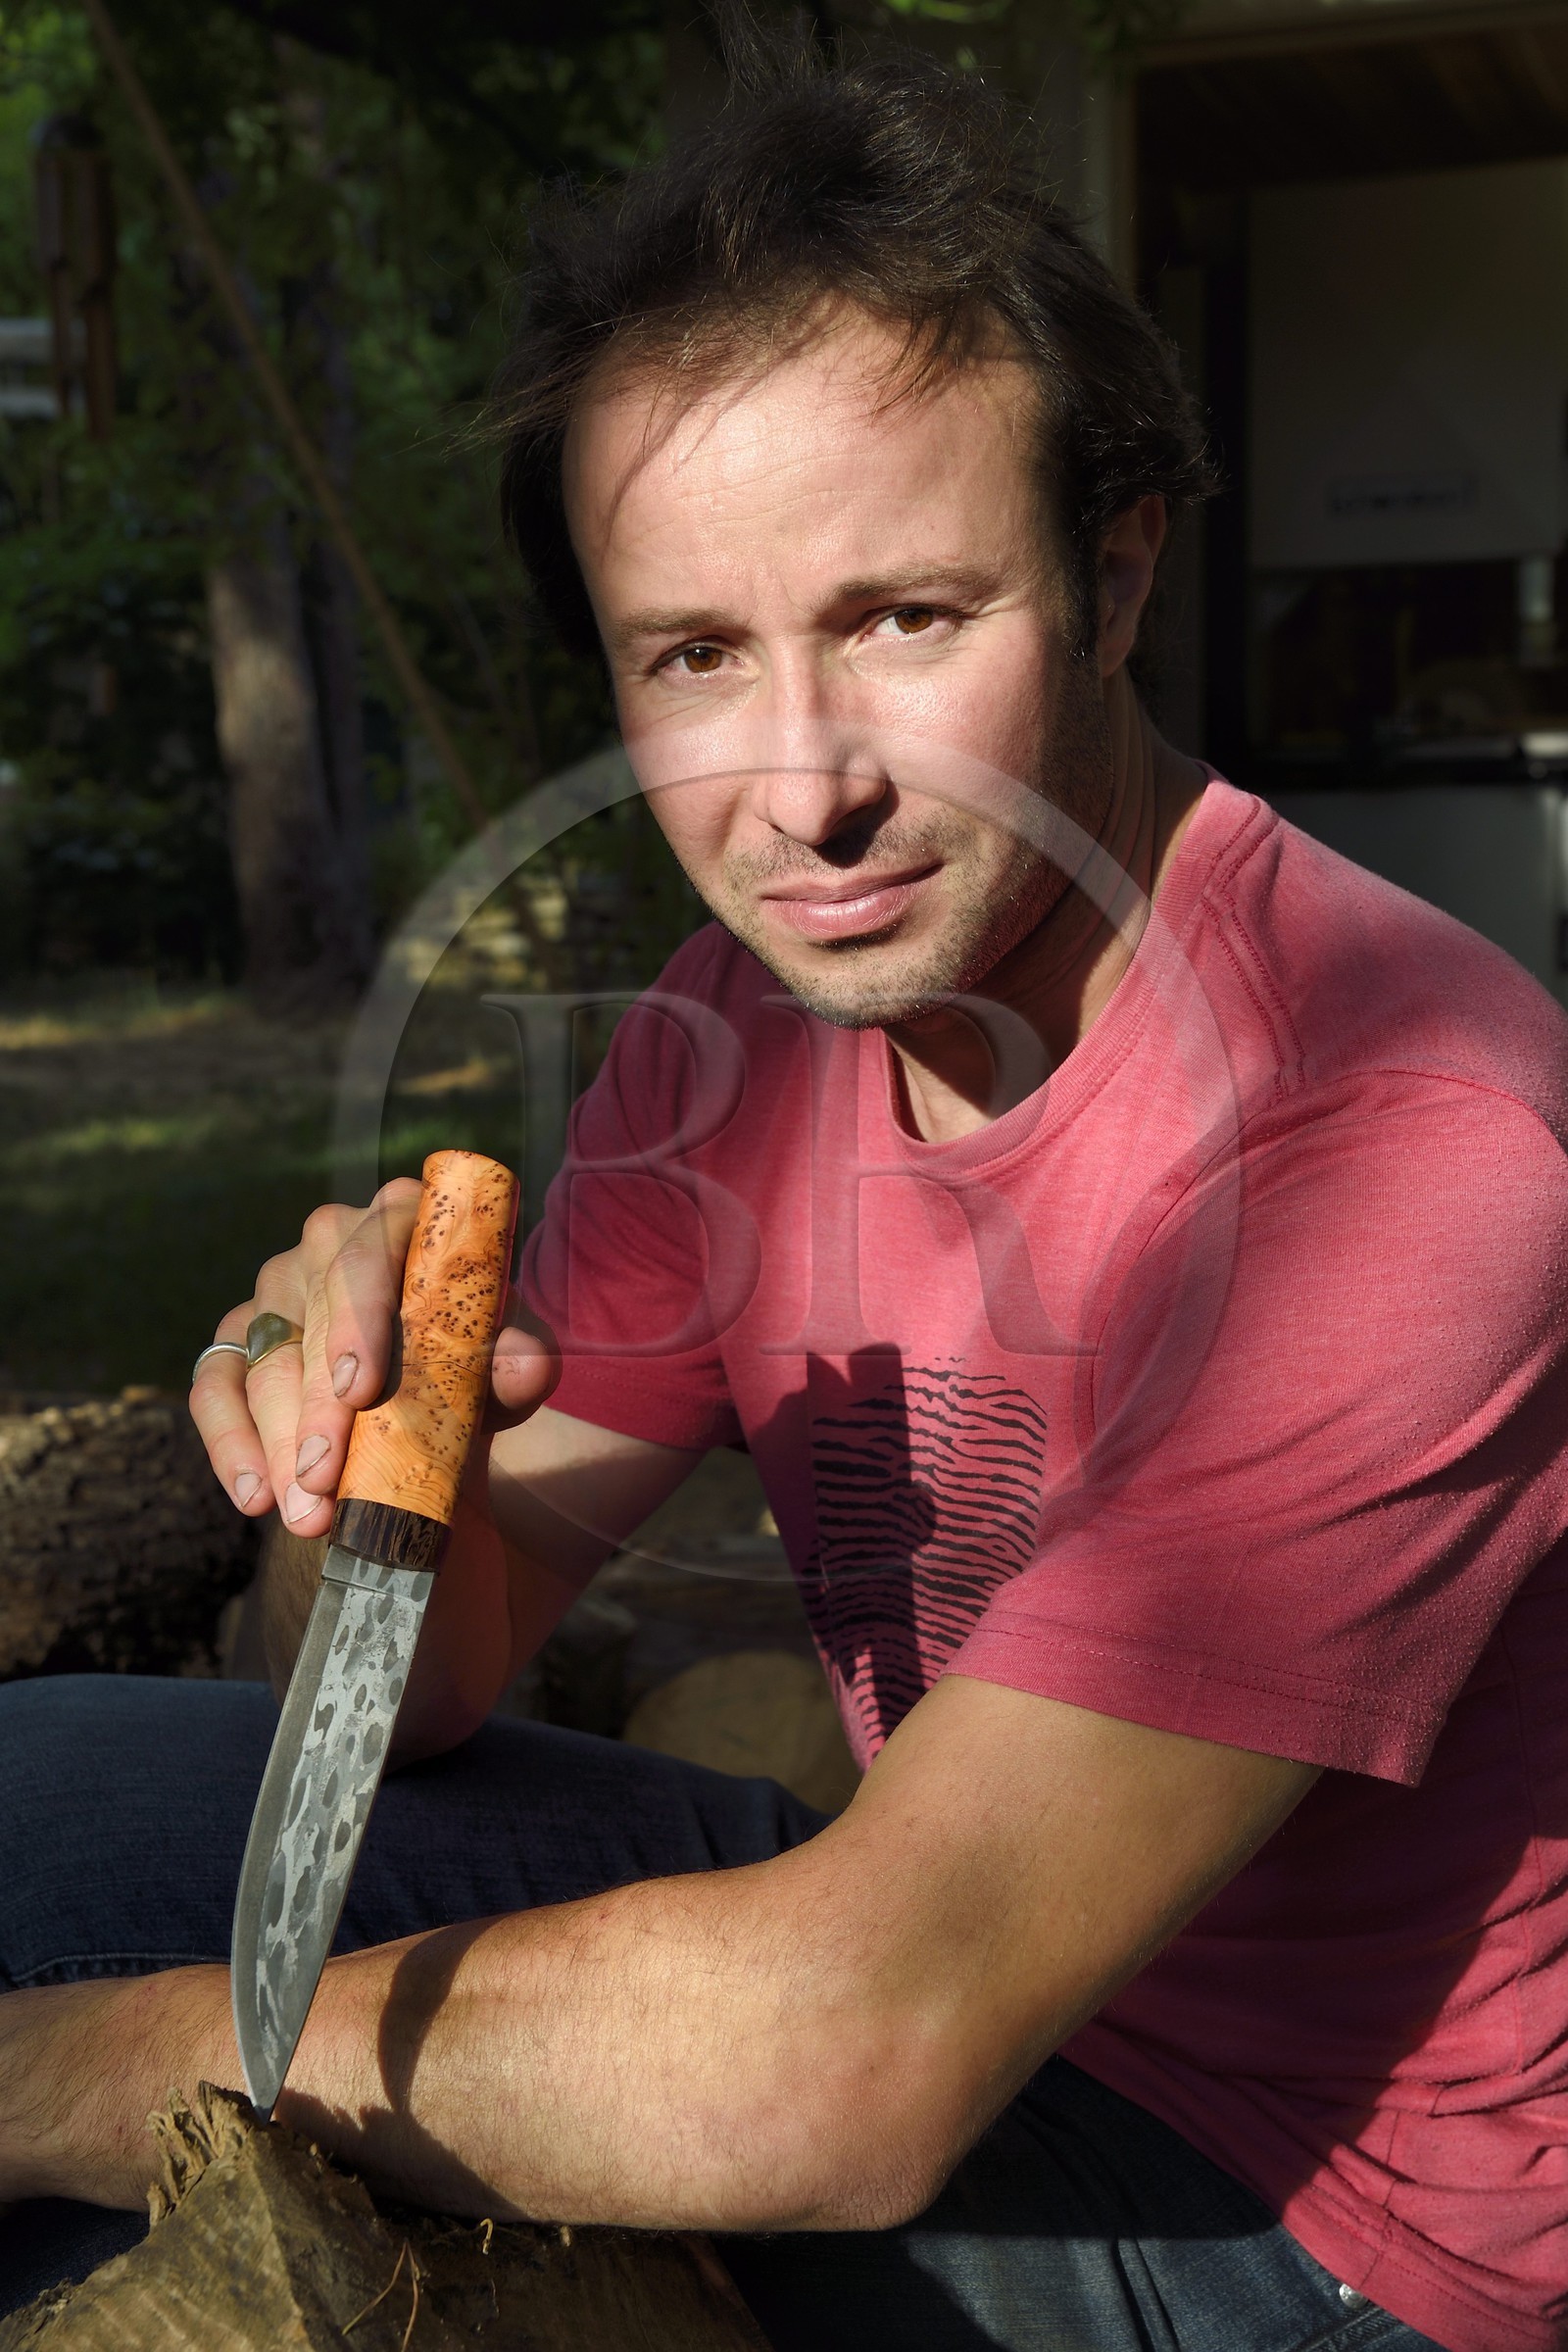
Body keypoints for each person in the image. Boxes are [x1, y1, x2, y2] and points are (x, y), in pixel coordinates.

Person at [0, 38, 1563, 2352]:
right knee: (36, 1814)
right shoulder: (722, 1051)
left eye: (905, 621)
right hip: (903, 1930)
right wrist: (365, 1465)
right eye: (696, 658)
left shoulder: (1402, 1134)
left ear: (1113, 575)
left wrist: (45, 2086)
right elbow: (403, 1691)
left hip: (1304, 2206)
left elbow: (855, 2062)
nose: (800, 791)